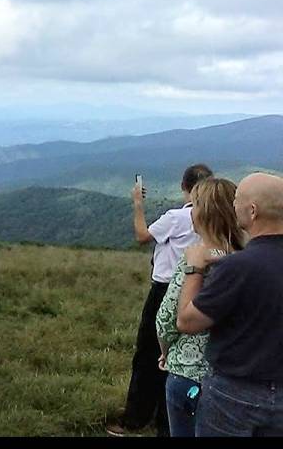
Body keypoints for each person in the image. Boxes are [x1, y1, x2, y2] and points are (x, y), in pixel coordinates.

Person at [106, 163, 212, 437]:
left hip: (166, 289)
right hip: (199, 288)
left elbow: (143, 236)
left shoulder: (176, 217)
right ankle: (169, 418)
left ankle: (136, 417)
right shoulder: (213, 218)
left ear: (183, 187)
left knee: (147, 354)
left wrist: (138, 204)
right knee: (181, 357)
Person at [176, 172, 283, 436]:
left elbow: (188, 322)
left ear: (252, 211)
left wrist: (194, 269)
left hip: (234, 395)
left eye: (237, 200)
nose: (233, 206)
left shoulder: (238, 267)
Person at [154, 177, 245, 436]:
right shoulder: (246, 261)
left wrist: (166, 351)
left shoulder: (193, 260)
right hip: (237, 380)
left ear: (201, 215)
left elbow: (167, 319)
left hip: (188, 373)